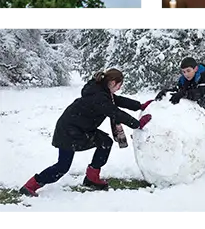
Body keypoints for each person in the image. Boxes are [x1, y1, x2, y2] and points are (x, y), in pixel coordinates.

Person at [19, 69, 152, 196]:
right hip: (69, 131)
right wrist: (138, 124)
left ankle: (92, 178)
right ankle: (30, 185)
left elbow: (118, 101)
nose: (119, 88)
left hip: (79, 128)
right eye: (119, 85)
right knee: (62, 166)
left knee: (105, 142)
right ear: (112, 83)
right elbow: (115, 112)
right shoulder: (99, 97)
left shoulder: (101, 91)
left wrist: (139, 106)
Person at [158, 57, 205, 169]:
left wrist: (183, 94)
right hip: (202, 110)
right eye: (184, 71)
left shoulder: (204, 76)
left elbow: (198, 94)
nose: (186, 74)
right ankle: (201, 159)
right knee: (200, 134)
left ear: (195, 69)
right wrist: (165, 92)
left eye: (188, 71)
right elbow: (179, 89)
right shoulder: (183, 80)